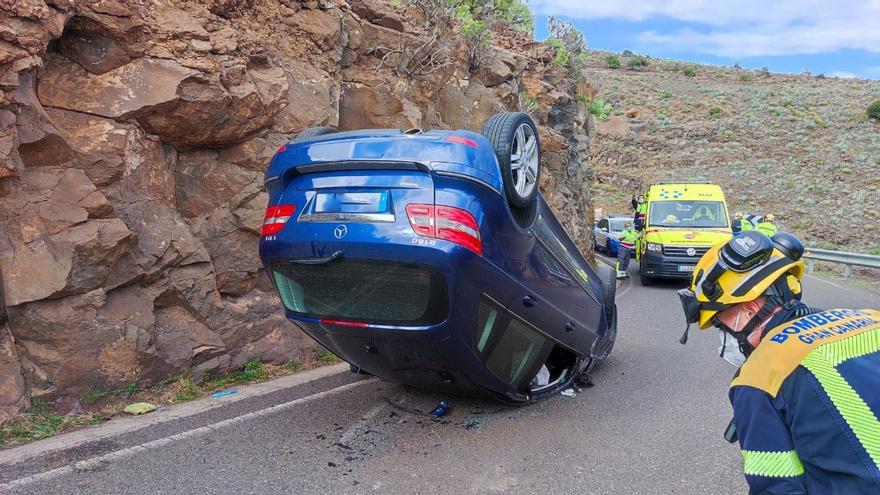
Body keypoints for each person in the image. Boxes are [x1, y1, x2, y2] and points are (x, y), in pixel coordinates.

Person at [677, 231, 880, 494]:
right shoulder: (869, 319)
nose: (722, 334)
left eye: (719, 322)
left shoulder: (759, 378)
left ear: (749, 308)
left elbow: (778, 488)